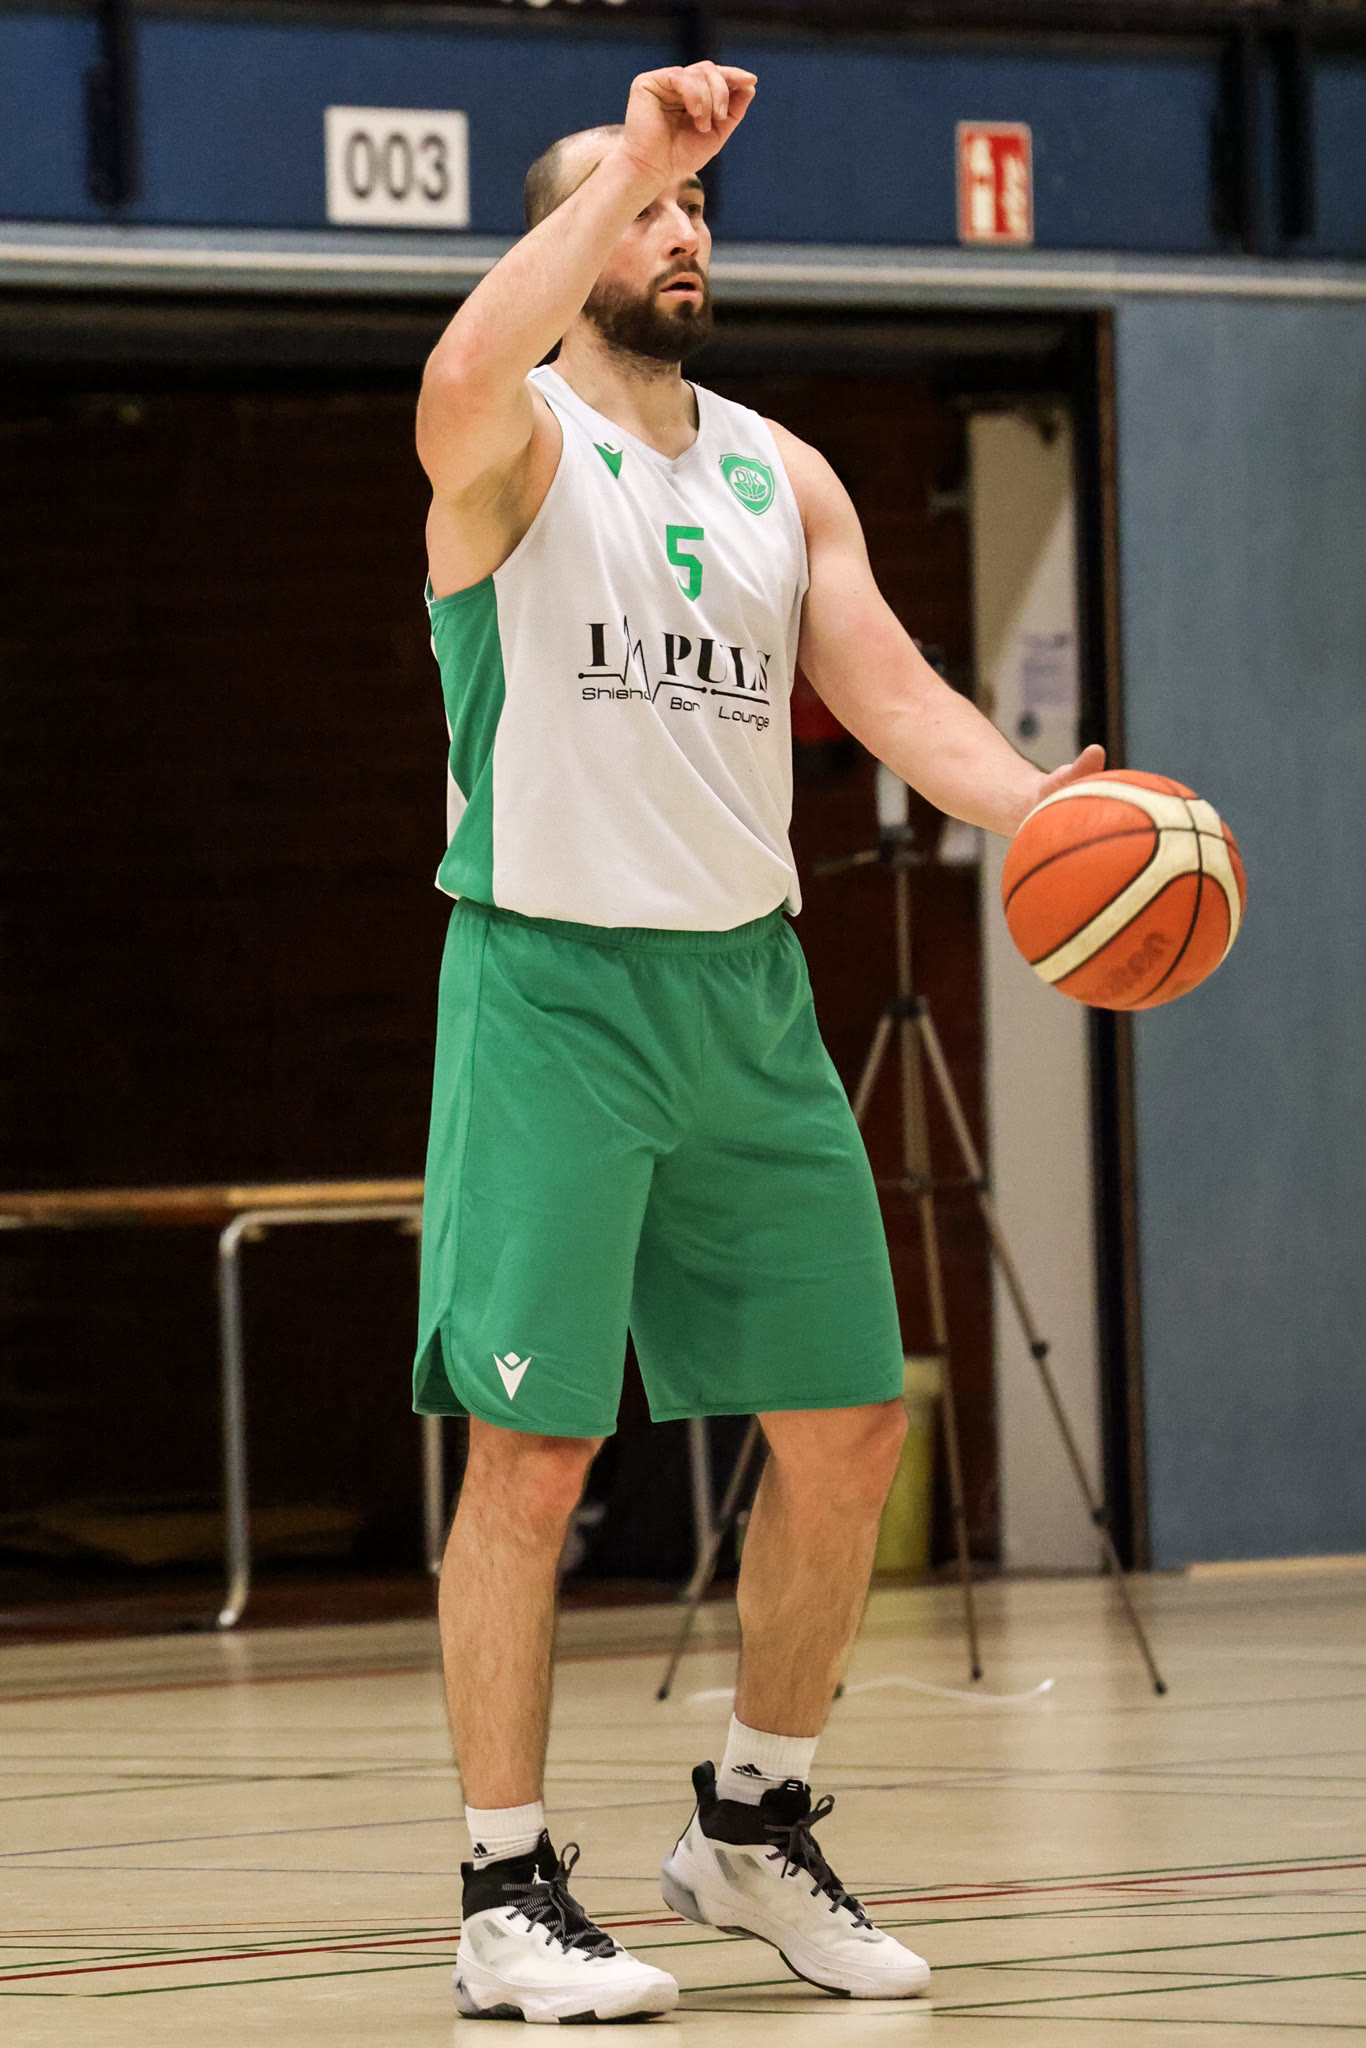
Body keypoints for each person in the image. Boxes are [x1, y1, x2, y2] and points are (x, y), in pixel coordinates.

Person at [412, 60, 1104, 2025]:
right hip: (552, 986)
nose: (681, 229)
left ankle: (748, 1824)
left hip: (747, 997)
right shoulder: (510, 441)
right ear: (568, 243)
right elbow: (456, 368)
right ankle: (502, 1894)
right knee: (531, 1455)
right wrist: (620, 157)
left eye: (696, 205)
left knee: (847, 1421)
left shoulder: (779, 475)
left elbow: (896, 697)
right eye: (642, 204)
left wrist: (1055, 809)